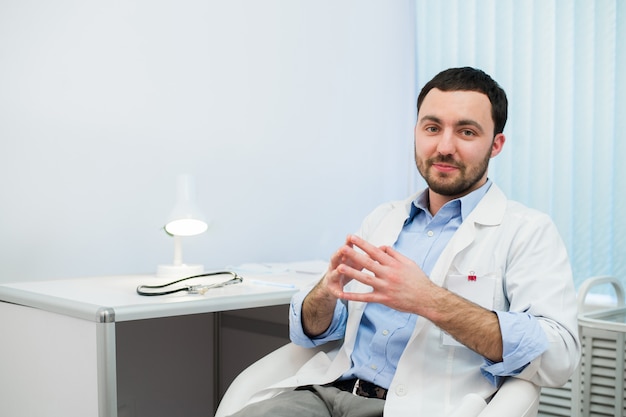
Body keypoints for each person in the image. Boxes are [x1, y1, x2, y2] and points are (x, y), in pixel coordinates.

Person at [228, 67, 580, 416]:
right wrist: (324, 292)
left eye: (466, 132)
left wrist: (430, 301)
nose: (444, 147)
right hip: (323, 394)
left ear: (496, 144)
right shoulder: (383, 218)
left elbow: (559, 356)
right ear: (416, 133)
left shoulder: (527, 231)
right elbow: (311, 334)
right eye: (432, 128)